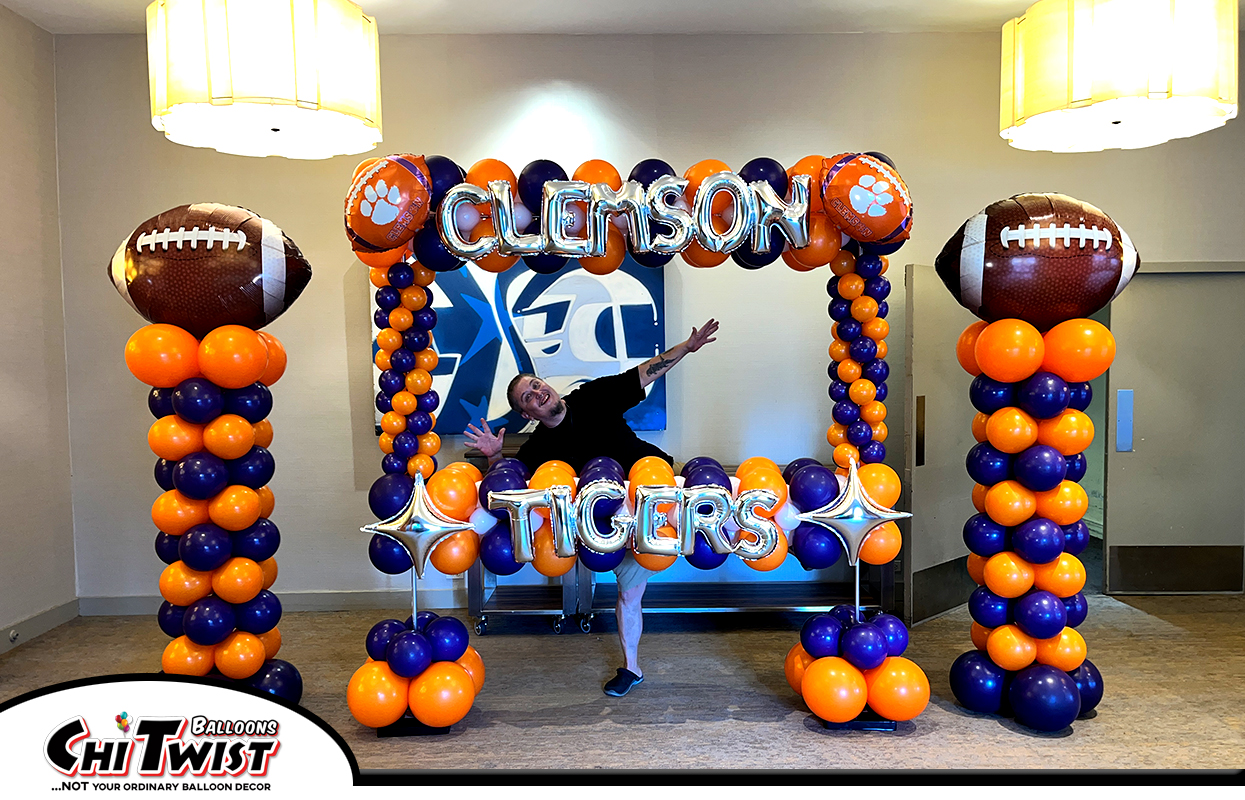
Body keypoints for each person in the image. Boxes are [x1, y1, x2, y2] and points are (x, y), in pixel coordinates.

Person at [464, 319, 720, 696]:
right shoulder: (538, 450)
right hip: (612, 522)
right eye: (528, 398)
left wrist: (686, 346)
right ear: (527, 414)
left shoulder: (593, 396)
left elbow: (643, 374)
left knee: (713, 527)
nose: (537, 393)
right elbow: (508, 492)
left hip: (656, 489)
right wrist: (497, 455)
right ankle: (631, 668)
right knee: (630, 594)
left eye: (536, 385)